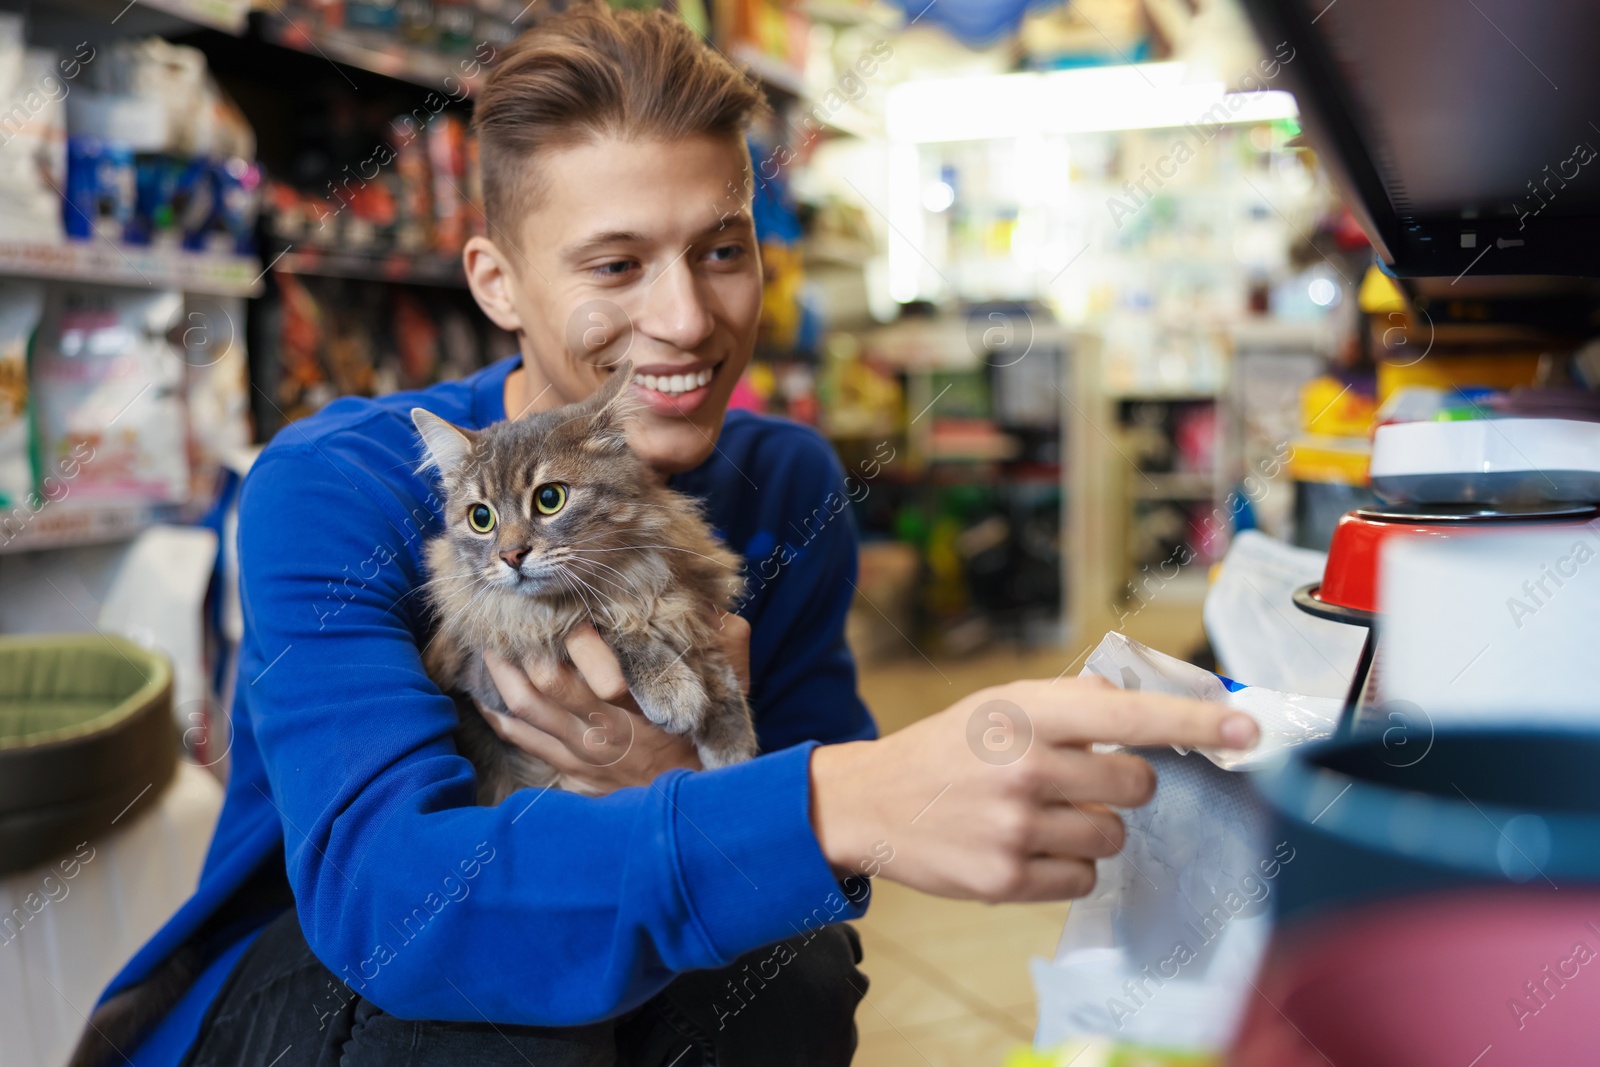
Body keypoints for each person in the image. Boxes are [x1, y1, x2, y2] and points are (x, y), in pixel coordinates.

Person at [76, 6, 1260, 1066]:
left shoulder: (782, 477)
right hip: (311, 988)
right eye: (615, 264)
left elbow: (807, 891)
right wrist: (819, 803)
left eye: (722, 248)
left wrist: (667, 785)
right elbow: (397, 910)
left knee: (779, 973)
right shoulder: (336, 483)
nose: (687, 320)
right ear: (495, 280)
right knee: (500, 1020)